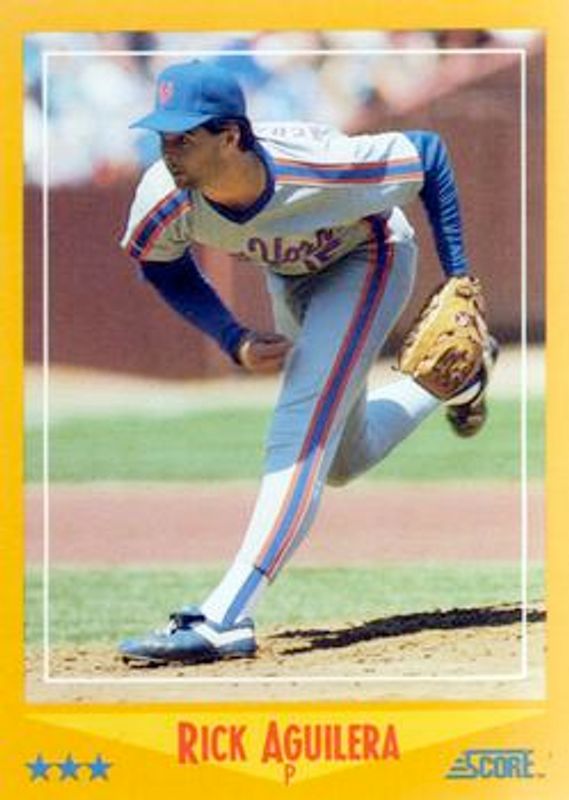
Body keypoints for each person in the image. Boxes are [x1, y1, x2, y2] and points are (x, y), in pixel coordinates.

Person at [119, 59, 496, 665]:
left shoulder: (320, 166)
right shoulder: (165, 195)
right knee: (341, 458)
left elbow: (428, 154)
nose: (168, 150)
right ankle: (449, 382)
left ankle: (225, 616)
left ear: (230, 136)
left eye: (184, 137)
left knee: (300, 427)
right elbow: (161, 264)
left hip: (368, 256)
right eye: (163, 135)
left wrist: (458, 276)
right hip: (291, 277)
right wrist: (231, 336)